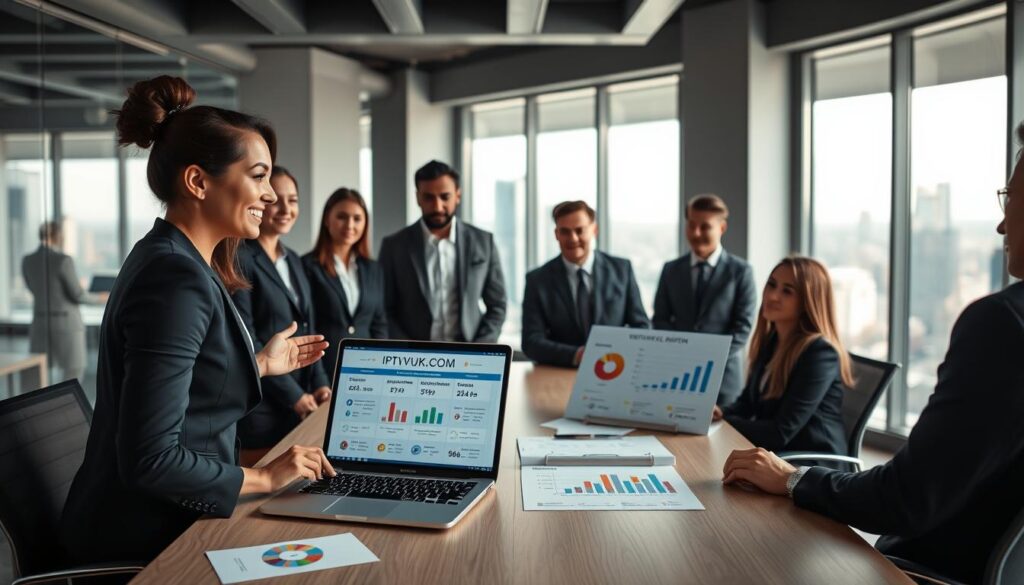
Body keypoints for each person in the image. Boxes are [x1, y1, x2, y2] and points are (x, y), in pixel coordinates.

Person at [720, 124, 1024, 585]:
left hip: (929, 571)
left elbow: (905, 499)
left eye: (1011, 197)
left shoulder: (1003, 325)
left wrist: (791, 479)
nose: (1002, 223)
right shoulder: (769, 344)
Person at [59, 76, 335, 565]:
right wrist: (267, 476)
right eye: (258, 176)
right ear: (197, 181)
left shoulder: (174, 259)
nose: (270, 196)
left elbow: (186, 387)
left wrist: (259, 365)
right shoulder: (174, 278)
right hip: (151, 540)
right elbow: (152, 459)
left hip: (180, 518)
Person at [232, 166, 332, 461]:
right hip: (265, 409)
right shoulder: (240, 258)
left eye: (294, 200)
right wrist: (295, 397)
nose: (287, 209)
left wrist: (321, 385)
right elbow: (249, 340)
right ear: (262, 201)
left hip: (303, 401)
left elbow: (307, 328)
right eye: (277, 200)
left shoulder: (295, 261)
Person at [711, 256, 852, 455]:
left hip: (811, 464)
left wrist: (725, 422)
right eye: (772, 285)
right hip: (777, 455)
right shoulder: (772, 341)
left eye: (787, 291)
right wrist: (721, 412)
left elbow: (780, 432)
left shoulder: (819, 354)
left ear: (808, 301)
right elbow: (747, 403)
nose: (773, 296)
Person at [378, 160, 506, 342]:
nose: (437, 207)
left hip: (469, 355)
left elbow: (498, 305)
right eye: (429, 197)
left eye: (445, 197)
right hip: (413, 359)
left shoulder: (484, 241)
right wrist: (408, 352)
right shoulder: (394, 246)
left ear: (458, 196)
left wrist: (480, 349)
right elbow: (384, 309)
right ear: (418, 198)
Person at [652, 194, 757, 405]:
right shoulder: (671, 270)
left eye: (705, 227)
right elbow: (660, 320)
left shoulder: (741, 271)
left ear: (722, 228)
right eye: (691, 225)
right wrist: (682, 353)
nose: (696, 233)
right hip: (676, 376)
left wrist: (705, 358)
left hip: (724, 382)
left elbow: (742, 328)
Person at [521, 200, 650, 367]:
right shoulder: (537, 280)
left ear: (594, 230)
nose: (573, 238)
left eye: (579, 230)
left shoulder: (621, 270)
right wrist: (577, 355)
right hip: (559, 374)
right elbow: (531, 342)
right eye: (565, 232)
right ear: (556, 234)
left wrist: (617, 353)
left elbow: (642, 327)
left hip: (614, 369)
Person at [303, 187, 387, 372]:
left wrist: (381, 371)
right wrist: (319, 380)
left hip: (367, 371)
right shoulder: (307, 266)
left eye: (357, 218)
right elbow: (309, 327)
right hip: (325, 369)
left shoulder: (373, 269)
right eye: (342, 217)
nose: (350, 225)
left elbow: (379, 325)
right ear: (327, 219)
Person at [21, 220, 91, 383]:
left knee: (37, 376)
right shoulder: (63, 260)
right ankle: (65, 407)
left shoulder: (28, 260)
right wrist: (101, 297)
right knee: (73, 374)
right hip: (67, 325)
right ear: (58, 236)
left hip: (40, 323)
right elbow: (78, 295)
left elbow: (32, 288)